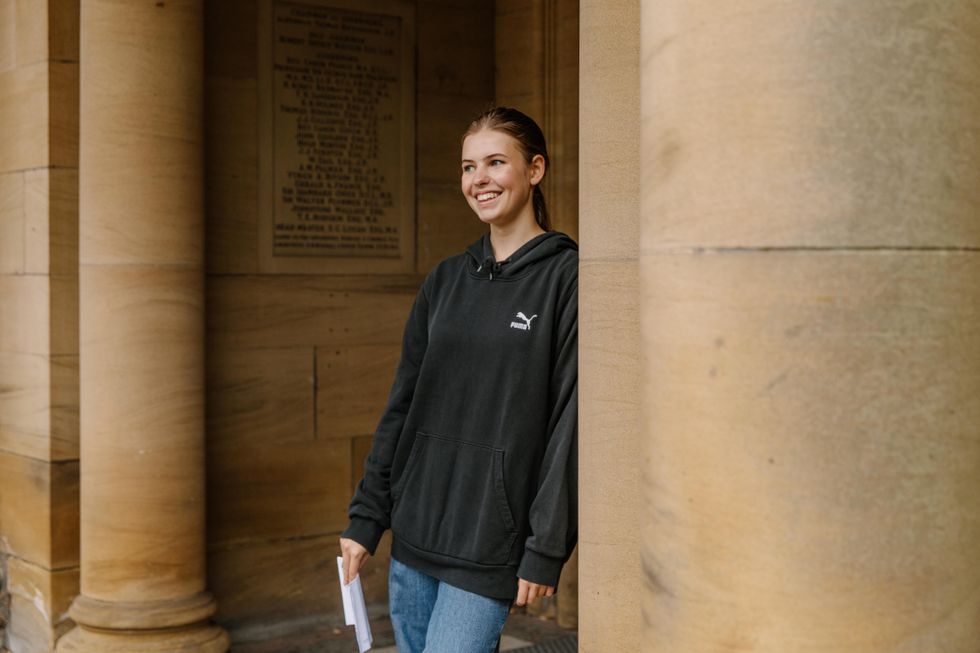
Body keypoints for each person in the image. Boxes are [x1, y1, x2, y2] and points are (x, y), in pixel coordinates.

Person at [339, 106, 578, 653]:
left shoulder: (566, 279)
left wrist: (545, 549)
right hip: (416, 534)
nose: (480, 180)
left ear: (535, 170)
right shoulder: (446, 280)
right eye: (469, 167)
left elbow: (571, 422)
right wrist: (366, 518)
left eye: (497, 162)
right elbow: (402, 404)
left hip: (489, 544)